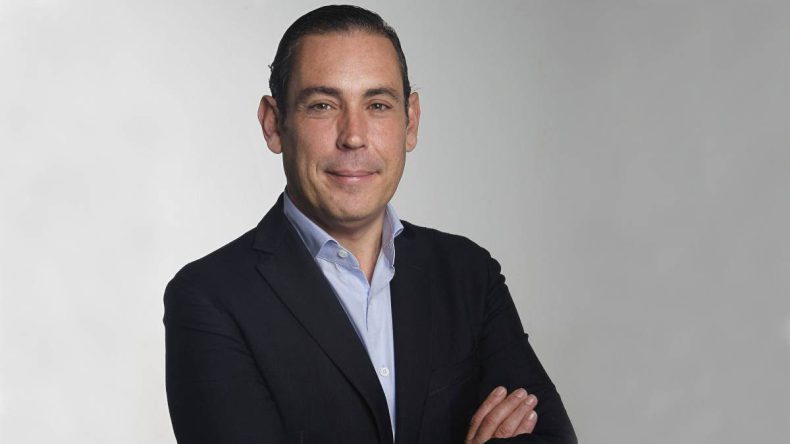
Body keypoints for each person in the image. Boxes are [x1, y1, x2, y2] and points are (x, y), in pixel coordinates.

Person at [164, 5, 576, 444]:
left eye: (378, 105)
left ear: (410, 122)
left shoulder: (468, 275)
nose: (354, 136)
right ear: (274, 124)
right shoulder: (209, 298)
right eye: (322, 105)